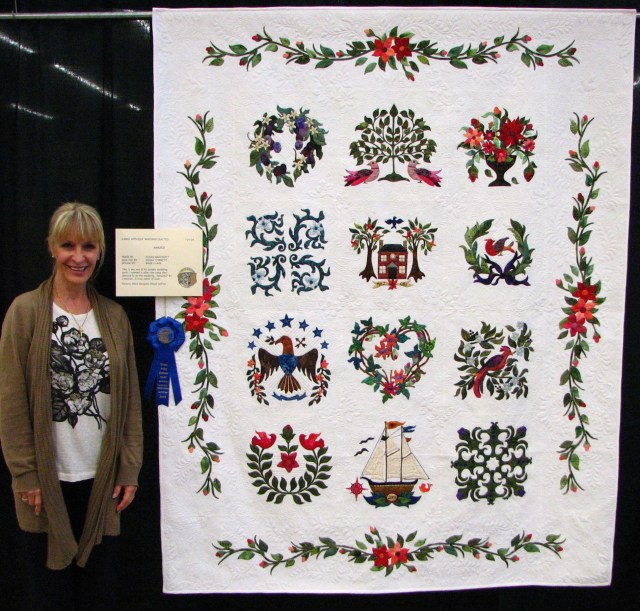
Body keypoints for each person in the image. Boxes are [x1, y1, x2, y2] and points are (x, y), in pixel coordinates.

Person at [0, 202, 143, 610]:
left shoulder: (114, 316)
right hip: (46, 483)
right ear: (51, 247)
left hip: (102, 482)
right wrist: (26, 473)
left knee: (100, 592)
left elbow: (130, 402)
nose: (78, 257)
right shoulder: (25, 312)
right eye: (68, 245)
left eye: (88, 247)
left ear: (99, 253)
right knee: (49, 594)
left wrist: (129, 467)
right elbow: (11, 401)